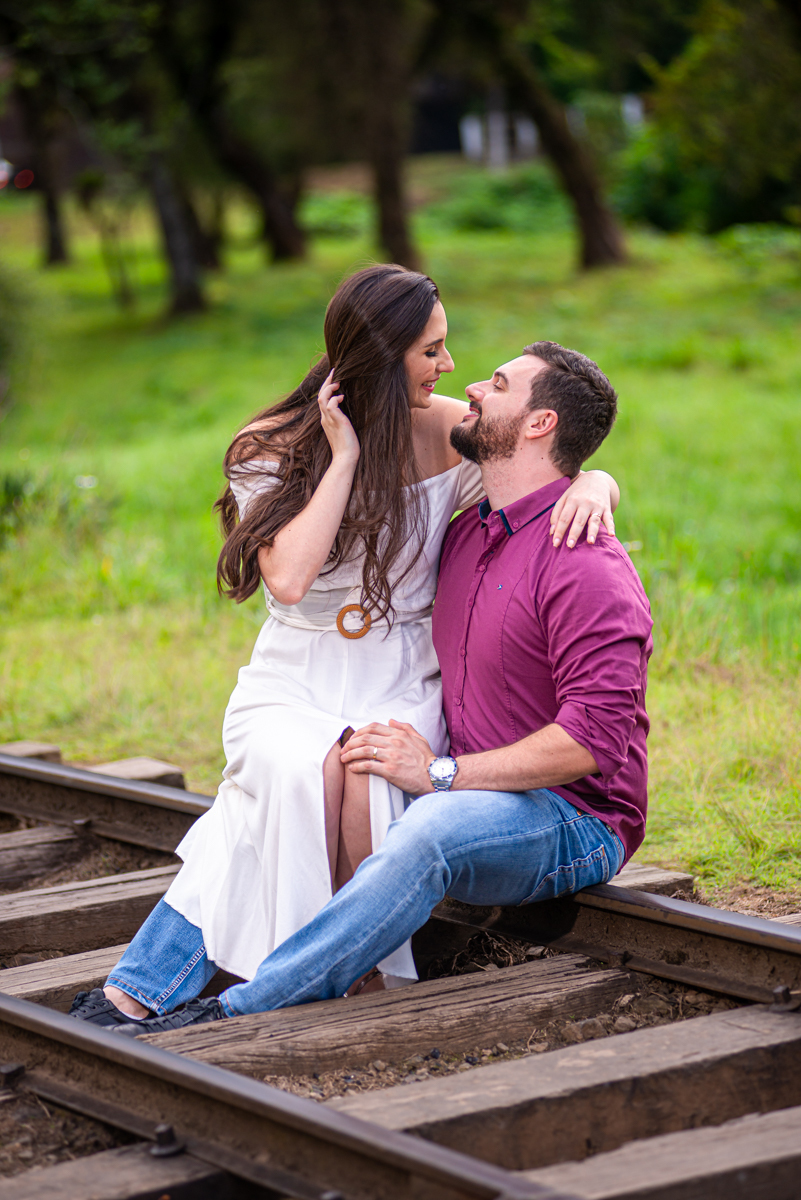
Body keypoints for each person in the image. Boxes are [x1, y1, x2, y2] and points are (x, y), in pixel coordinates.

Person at [69, 272, 620, 1030]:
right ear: (384, 358)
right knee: (301, 770)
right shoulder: (268, 446)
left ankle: (156, 991)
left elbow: (539, 452)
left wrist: (599, 483)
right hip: (295, 675)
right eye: (431, 350)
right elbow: (289, 579)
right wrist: (344, 457)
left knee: (355, 770)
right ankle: (339, 984)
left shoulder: (448, 428)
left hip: (399, 673)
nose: (450, 364)